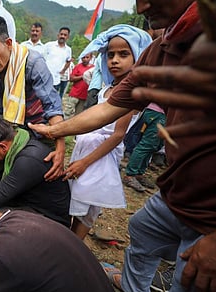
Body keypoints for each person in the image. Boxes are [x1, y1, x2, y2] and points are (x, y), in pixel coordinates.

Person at [28, 0, 216, 292]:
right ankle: (136, 287)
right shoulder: (162, 48)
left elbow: (118, 131)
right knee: (142, 227)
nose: (142, 5)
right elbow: (109, 108)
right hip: (177, 195)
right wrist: (54, 131)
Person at [66, 24, 152, 240]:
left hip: (100, 157)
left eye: (123, 54)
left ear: (138, 56)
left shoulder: (130, 93)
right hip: (87, 149)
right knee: (77, 201)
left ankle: (74, 246)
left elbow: (117, 135)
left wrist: (85, 162)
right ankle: (68, 241)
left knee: (87, 210)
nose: (114, 60)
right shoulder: (109, 88)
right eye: (110, 54)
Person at [0, 15, 66, 181]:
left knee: (42, 177)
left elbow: (53, 107)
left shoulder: (33, 63)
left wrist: (60, 148)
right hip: (9, 136)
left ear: (8, 43)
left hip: (38, 132)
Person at [0, 114, 71, 227]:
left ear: (2, 147)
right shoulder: (17, 143)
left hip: (51, 220)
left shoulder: (28, 160)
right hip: (28, 205)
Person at [122, 103, 166, 192]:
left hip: (161, 113)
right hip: (157, 112)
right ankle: (130, 175)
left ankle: (139, 173)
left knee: (153, 146)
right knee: (147, 144)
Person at [44, 27, 72, 97]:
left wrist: (63, 70)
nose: (62, 36)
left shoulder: (68, 50)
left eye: (65, 35)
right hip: (44, 78)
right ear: (58, 35)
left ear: (68, 37)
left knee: (52, 99)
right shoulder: (49, 45)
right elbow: (41, 58)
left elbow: (68, 61)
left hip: (56, 80)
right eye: (61, 34)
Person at [65, 53, 94, 117]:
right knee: (68, 112)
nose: (85, 59)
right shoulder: (78, 66)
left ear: (91, 58)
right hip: (74, 93)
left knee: (79, 114)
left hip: (85, 95)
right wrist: (83, 76)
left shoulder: (93, 68)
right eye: (83, 57)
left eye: (87, 57)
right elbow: (71, 78)